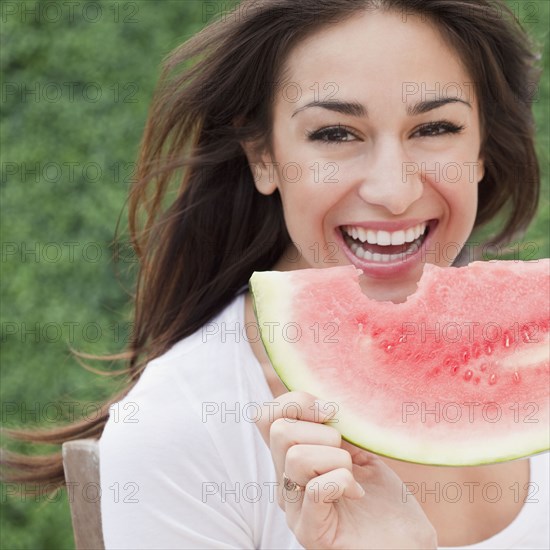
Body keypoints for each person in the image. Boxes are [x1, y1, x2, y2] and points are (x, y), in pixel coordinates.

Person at [3, 0, 546, 548]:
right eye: (335, 134)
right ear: (263, 155)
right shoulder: (180, 431)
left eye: (435, 127)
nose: (394, 190)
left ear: (480, 148)